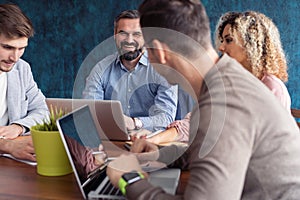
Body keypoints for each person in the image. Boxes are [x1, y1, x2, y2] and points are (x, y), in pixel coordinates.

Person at [106, 0, 300, 199]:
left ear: (160, 52)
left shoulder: (223, 102)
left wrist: (127, 179)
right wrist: (158, 156)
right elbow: (210, 151)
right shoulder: (225, 81)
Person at [82, 10, 180, 132]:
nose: (129, 40)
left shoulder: (163, 69)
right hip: (110, 141)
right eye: (123, 33)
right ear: (114, 35)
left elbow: (166, 117)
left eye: (137, 34)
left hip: (152, 143)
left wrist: (134, 123)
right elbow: (89, 112)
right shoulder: (101, 69)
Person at [0, 4, 48, 161]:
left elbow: (42, 111)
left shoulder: (22, 69)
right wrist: (6, 145)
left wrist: (18, 127)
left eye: (21, 48)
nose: (15, 58)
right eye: (7, 47)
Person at [215, 11, 291, 111]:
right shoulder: (233, 82)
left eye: (229, 40)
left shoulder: (272, 88)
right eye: (222, 41)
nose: (221, 47)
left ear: (250, 43)